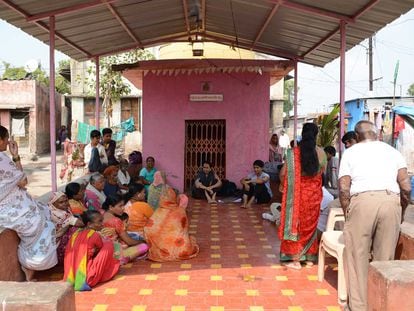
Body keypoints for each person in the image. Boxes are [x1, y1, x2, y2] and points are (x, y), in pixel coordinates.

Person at [338, 120, 411, 311]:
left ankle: (358, 307)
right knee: (384, 260)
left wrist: (349, 215)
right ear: (377, 133)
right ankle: (379, 305)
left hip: (362, 201)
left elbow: (344, 188)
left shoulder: (350, 153)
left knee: (357, 258)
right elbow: (406, 187)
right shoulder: (393, 152)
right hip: (390, 201)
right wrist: (401, 211)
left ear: (356, 136)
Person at [0, 125, 57, 281]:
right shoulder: (2, 159)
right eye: (6, 139)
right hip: (9, 209)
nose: (7, 143)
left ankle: (30, 266)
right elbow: (23, 181)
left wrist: (15, 155)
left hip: (7, 208)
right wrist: (15, 157)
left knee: (43, 212)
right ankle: (30, 264)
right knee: (41, 223)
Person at [278, 123, 327, 270]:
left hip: (296, 197)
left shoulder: (293, 153)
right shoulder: (322, 153)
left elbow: (283, 174)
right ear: (316, 135)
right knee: (310, 226)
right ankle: (310, 259)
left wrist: (284, 186)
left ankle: (296, 260)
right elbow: (322, 173)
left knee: (295, 226)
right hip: (313, 196)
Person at [64, 210, 120, 291]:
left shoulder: (75, 233)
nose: (102, 224)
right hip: (87, 278)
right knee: (109, 245)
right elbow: (100, 248)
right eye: (99, 221)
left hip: (70, 278)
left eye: (102, 220)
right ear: (89, 224)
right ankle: (110, 269)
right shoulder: (94, 235)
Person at [144, 187, 199, 262]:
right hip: (176, 248)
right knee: (191, 240)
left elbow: (148, 228)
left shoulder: (158, 211)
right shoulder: (180, 211)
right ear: (174, 198)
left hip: (157, 248)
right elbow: (184, 231)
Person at [101, 194, 149, 264]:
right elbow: (129, 241)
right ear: (111, 207)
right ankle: (123, 259)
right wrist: (143, 241)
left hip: (105, 251)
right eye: (120, 206)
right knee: (144, 246)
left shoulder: (101, 215)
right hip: (116, 251)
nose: (123, 208)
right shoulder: (116, 220)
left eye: (123, 205)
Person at [48, 192, 84, 264]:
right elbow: (80, 223)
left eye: (66, 201)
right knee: (78, 231)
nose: (65, 203)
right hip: (57, 242)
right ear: (53, 203)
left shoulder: (61, 209)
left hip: (60, 235)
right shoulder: (58, 214)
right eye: (61, 202)